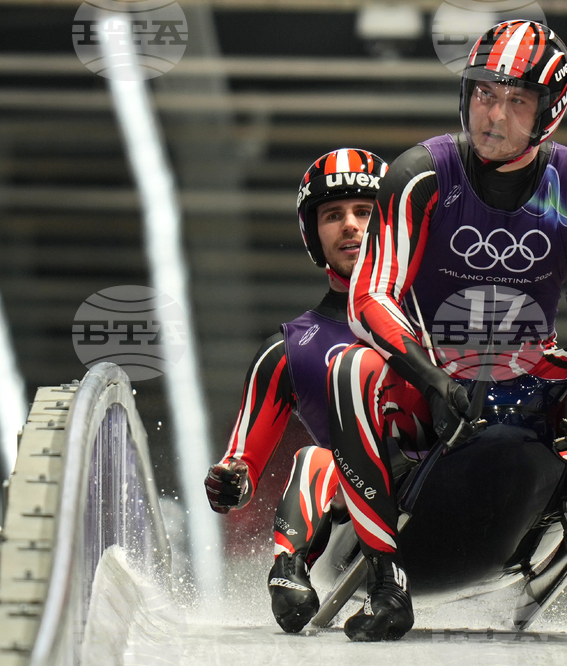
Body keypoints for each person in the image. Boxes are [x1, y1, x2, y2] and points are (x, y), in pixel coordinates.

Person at [329, 20, 567, 644]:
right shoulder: (419, 176)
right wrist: (427, 373)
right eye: (483, 94)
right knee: (351, 368)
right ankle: (385, 583)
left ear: (548, 113)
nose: (493, 116)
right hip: (433, 380)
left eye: (516, 101)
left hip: (535, 376)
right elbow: (370, 294)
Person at [203, 148, 389, 633]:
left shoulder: (451, 316)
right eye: (333, 214)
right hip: (360, 515)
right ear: (314, 235)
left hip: (457, 485)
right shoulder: (286, 350)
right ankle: (288, 571)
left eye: (364, 212)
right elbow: (240, 467)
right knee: (317, 458)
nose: (350, 225)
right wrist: (229, 482)